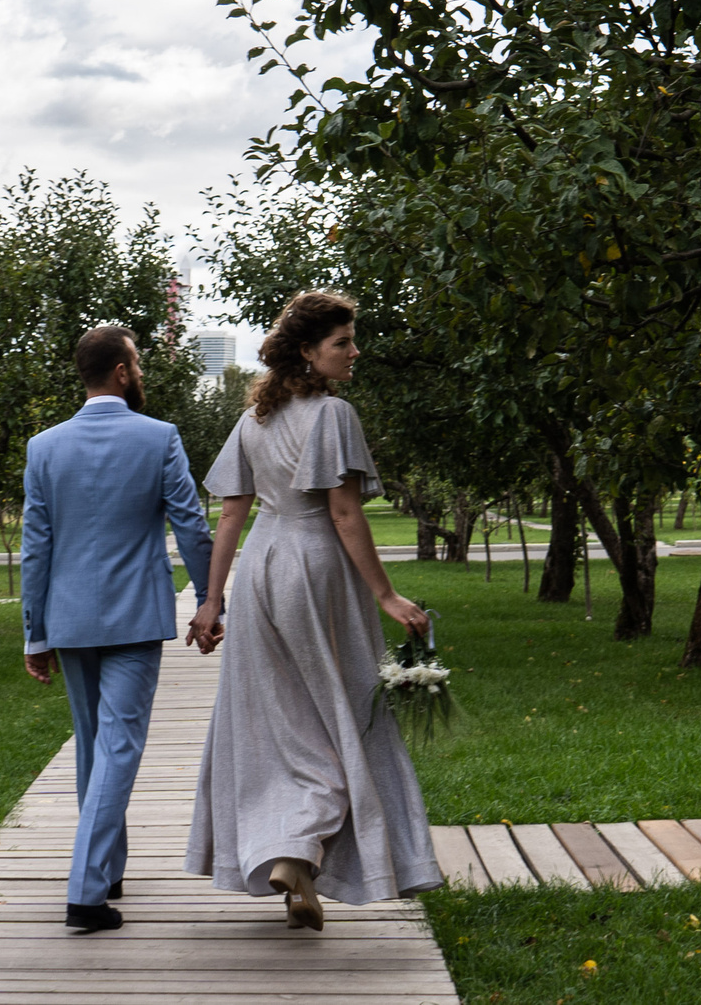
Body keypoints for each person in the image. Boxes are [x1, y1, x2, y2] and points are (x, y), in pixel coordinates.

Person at [183, 289, 443, 927]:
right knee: (345, 710)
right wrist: (386, 593)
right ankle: (302, 842)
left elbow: (231, 515)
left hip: (263, 568)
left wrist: (213, 600)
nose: (355, 352)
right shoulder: (332, 415)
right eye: (342, 343)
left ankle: (290, 851)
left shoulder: (254, 421)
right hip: (315, 565)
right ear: (307, 351)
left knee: (277, 719)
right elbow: (344, 511)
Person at [20, 323, 215, 933]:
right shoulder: (159, 438)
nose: (141, 371)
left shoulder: (43, 447)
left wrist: (35, 631)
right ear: (124, 371)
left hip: (69, 618)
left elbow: (36, 548)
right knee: (119, 746)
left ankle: (106, 869)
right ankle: (85, 892)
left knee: (92, 745)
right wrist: (210, 598)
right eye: (139, 361)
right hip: (133, 617)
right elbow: (192, 525)